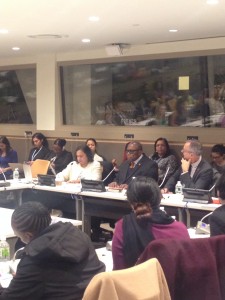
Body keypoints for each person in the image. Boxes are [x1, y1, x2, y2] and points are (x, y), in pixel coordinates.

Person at [0, 202, 105, 299]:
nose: (20, 239)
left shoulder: (35, 259)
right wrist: (24, 280)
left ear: (28, 235)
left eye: (19, 236)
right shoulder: (77, 234)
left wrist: (23, 278)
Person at [112, 177, 190, 270]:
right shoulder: (180, 228)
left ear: (131, 202)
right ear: (159, 199)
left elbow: (118, 270)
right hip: (172, 284)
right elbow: (186, 267)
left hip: (135, 283)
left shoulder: (123, 226)